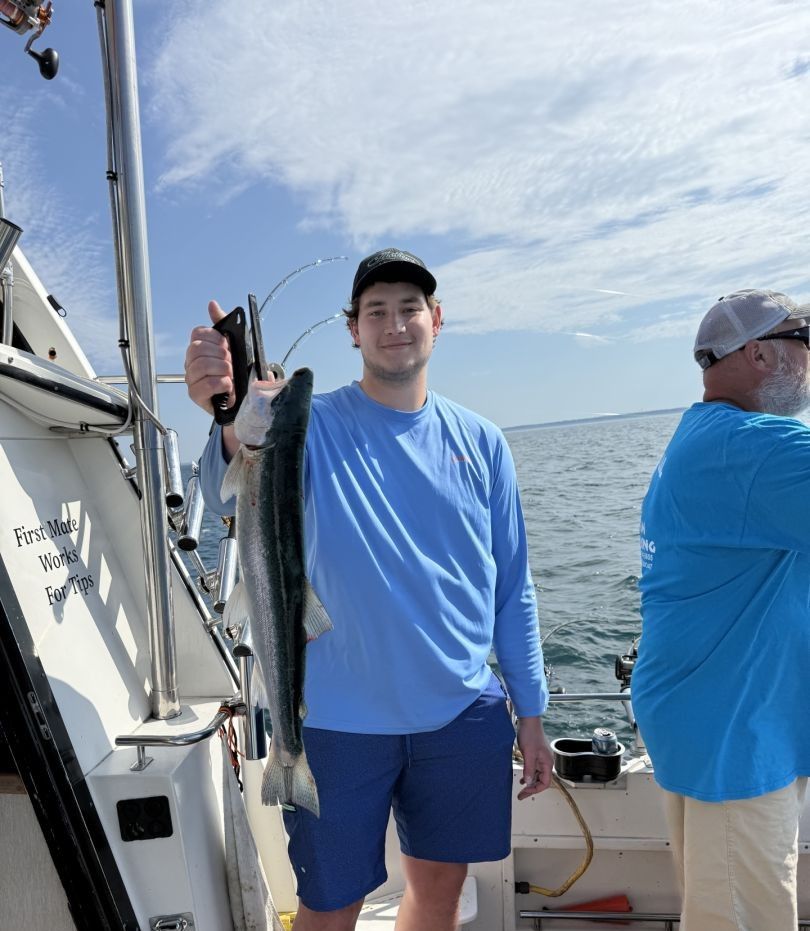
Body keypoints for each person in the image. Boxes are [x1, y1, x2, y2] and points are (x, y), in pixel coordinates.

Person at [184, 247, 553, 931]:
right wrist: (230, 418)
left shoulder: (484, 441)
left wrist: (531, 712)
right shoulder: (309, 423)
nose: (395, 323)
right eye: (375, 311)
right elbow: (227, 487)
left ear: (436, 320)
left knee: (440, 892)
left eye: (409, 308)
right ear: (353, 329)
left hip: (461, 711)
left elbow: (513, 588)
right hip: (332, 722)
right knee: (329, 906)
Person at [632, 289, 810, 931]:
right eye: (805, 342)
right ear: (759, 352)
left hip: (719, 717)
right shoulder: (752, 451)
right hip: (735, 730)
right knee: (742, 917)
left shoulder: (711, 437)